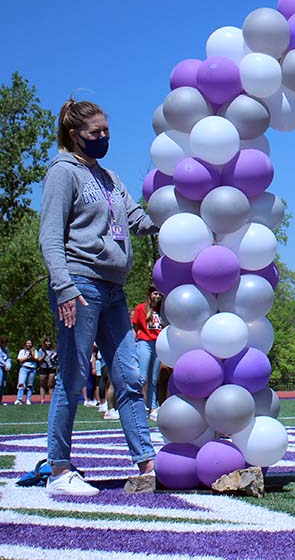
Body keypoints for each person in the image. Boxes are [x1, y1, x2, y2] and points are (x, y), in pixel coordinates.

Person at [38, 98, 157, 496]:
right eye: (96, 133)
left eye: (107, 131)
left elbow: (138, 222)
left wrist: (176, 206)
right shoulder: (63, 173)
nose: (104, 137)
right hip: (81, 285)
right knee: (73, 378)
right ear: (75, 135)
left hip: (114, 289)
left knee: (128, 376)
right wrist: (64, 287)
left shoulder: (109, 177)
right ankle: (58, 471)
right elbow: (51, 237)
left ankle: (146, 464)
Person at [132, 285, 164, 421]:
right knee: (142, 377)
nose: (157, 297)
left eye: (159, 295)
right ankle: (136, 406)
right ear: (150, 294)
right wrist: (133, 344)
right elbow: (135, 327)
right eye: (155, 294)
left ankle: (152, 407)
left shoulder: (162, 310)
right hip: (144, 343)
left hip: (158, 344)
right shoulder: (141, 308)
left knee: (154, 378)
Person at [15, 339, 38, 405]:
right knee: (21, 383)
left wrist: (32, 354)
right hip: (24, 368)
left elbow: (36, 359)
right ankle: (19, 399)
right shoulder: (22, 351)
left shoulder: (35, 351)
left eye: (30, 343)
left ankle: (28, 399)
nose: (29, 344)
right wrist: (27, 357)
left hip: (32, 369)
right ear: (25, 344)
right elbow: (20, 359)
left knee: (30, 385)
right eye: (27, 343)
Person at [37, 338, 59, 404]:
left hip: (52, 367)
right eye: (47, 342)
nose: (48, 343)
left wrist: (54, 358)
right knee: (42, 384)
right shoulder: (41, 350)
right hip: (43, 367)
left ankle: (52, 400)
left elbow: (57, 359)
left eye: (49, 342)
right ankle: (42, 400)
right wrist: (44, 356)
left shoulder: (53, 350)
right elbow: (38, 359)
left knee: (51, 384)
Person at [1, 337, 11, 402]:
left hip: (5, 368)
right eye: (4, 343)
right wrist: (5, 365)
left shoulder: (6, 350)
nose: (5, 344)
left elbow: (8, 359)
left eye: (6, 343)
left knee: (3, 385)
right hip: (0, 367)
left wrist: (8, 366)